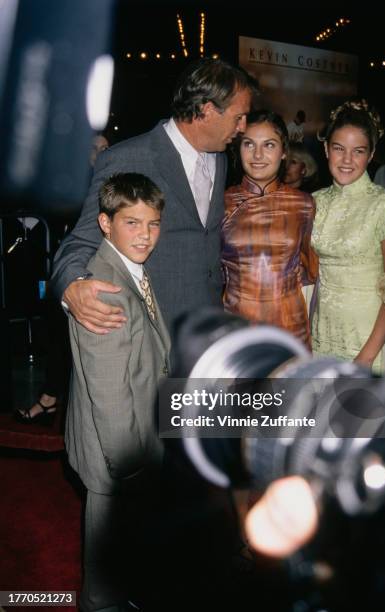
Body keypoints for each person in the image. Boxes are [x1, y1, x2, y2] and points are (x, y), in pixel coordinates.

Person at [51, 58, 257, 335]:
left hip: (207, 332)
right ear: (207, 110)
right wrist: (73, 286)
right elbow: (81, 240)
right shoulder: (127, 159)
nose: (243, 127)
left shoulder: (220, 158)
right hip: (152, 335)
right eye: (238, 117)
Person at [66, 173, 170, 612]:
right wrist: (131, 465)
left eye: (153, 224)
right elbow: (109, 392)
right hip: (118, 452)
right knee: (104, 578)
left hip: (137, 438)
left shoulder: (131, 269)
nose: (145, 235)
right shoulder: (105, 288)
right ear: (105, 223)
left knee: (124, 553)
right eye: (132, 223)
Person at [15, 132, 111, 424]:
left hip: (102, 270)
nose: (101, 153)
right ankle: (51, 399)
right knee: (60, 333)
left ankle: (55, 401)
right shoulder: (70, 183)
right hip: (67, 269)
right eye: (95, 148)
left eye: (105, 148)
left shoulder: (112, 181)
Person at [311, 100, 385, 373]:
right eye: (339, 149)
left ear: (371, 154)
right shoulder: (314, 201)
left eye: (358, 151)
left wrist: (366, 358)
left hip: (370, 340)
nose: (347, 160)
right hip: (322, 332)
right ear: (326, 148)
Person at [221, 110, 318, 349]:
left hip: (290, 330)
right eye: (249, 144)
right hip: (236, 330)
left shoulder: (304, 204)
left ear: (284, 152)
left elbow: (311, 273)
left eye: (269, 145)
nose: (258, 155)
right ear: (238, 148)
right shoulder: (220, 202)